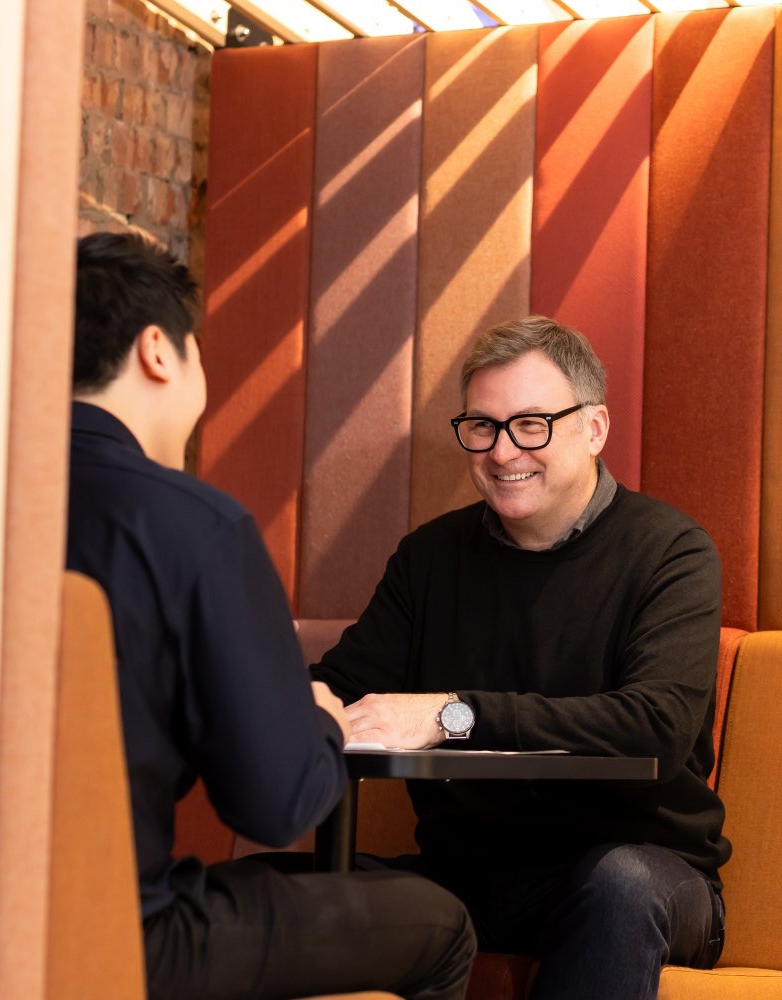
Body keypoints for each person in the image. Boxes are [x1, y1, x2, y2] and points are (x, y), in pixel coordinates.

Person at [66, 231, 475, 1000]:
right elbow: (273, 800)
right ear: (159, 351)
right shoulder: (193, 525)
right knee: (441, 925)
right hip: (132, 941)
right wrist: (315, 715)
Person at [311, 316, 730, 1000]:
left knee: (619, 884)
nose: (503, 452)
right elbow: (345, 684)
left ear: (593, 429)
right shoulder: (430, 559)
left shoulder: (671, 553)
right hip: (471, 877)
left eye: (531, 424)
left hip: (649, 871)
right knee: (272, 893)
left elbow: (655, 723)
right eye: (482, 426)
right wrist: (297, 701)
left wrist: (455, 716)